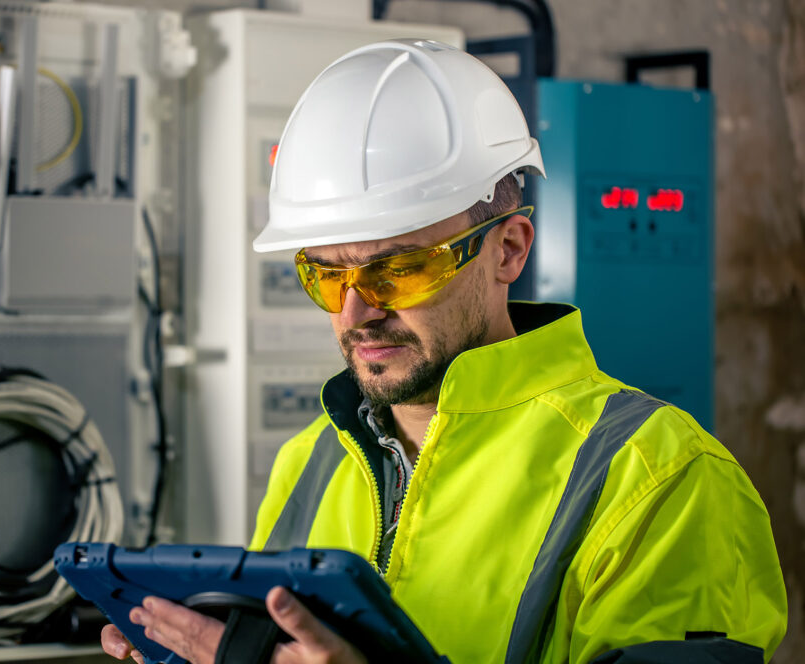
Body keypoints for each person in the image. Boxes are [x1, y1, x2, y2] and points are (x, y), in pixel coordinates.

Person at [102, 39, 787, 663]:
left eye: (397, 270)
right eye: (325, 274)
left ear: (508, 249)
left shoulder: (657, 478)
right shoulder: (309, 461)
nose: (355, 312)